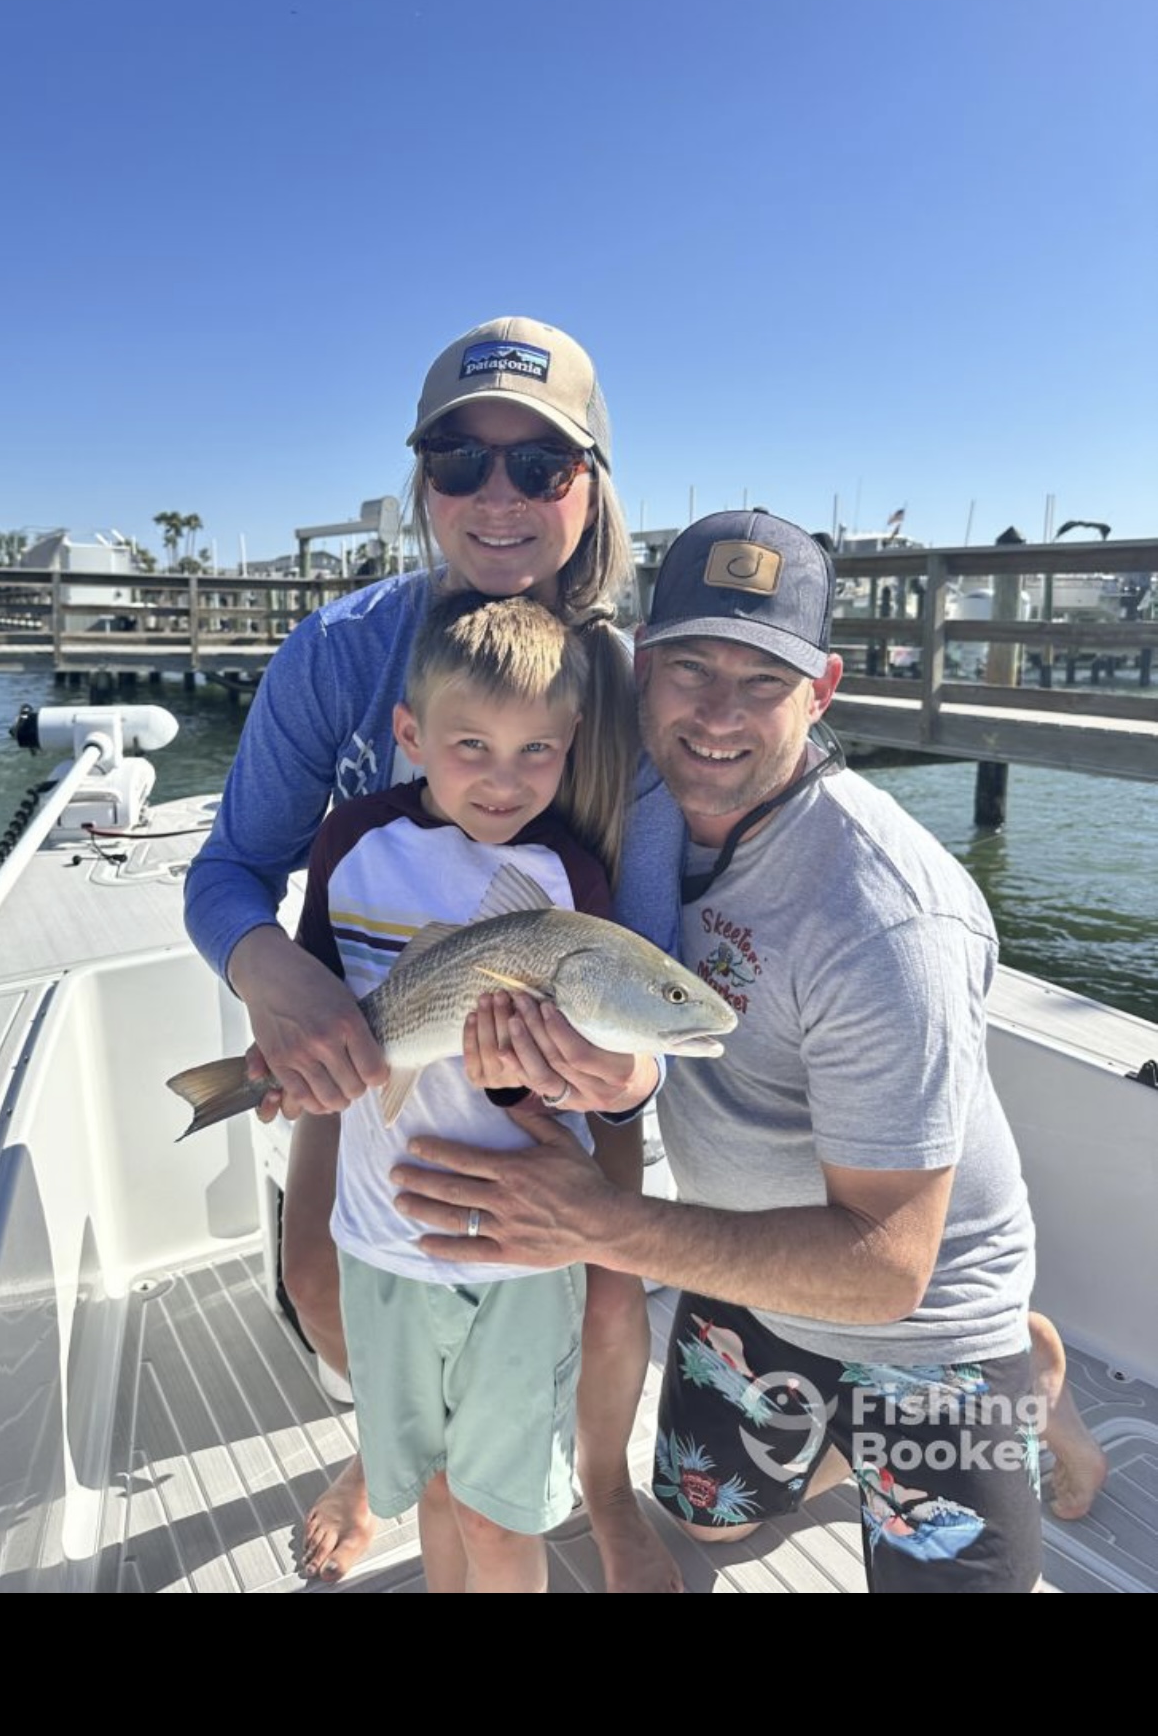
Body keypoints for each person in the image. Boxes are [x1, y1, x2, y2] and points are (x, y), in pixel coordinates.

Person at [390, 508, 1106, 1592]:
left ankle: (1027, 1372)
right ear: (640, 672)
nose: (718, 713)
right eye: (688, 668)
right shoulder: (649, 810)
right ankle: (850, 1444)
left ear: (820, 693)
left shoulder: (887, 916)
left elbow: (887, 1268)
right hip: (750, 1268)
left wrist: (600, 1220)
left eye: (762, 681)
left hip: (927, 1314)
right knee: (712, 1526)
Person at [183, 314, 684, 1591]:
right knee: (319, 1274)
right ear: (423, 484)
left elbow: (653, 957)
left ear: (593, 487)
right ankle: (395, 1455)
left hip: (563, 1038)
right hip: (379, 1023)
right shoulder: (342, 652)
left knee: (611, 1288)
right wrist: (276, 978)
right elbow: (227, 870)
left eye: (540, 466)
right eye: (459, 462)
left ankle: (606, 1485)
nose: (497, 495)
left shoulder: (625, 690)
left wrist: (603, 1077)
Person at [300, 588, 659, 1591]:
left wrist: (519, 1087)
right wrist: (294, 1061)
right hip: (382, 1239)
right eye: (471, 747)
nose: (505, 782)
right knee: (436, 1496)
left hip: (517, 1258)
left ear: (573, 741)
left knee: (501, 1517)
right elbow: (317, 999)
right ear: (409, 733)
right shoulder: (350, 844)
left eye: (536, 752)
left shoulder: (566, 877)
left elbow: (579, 1091)